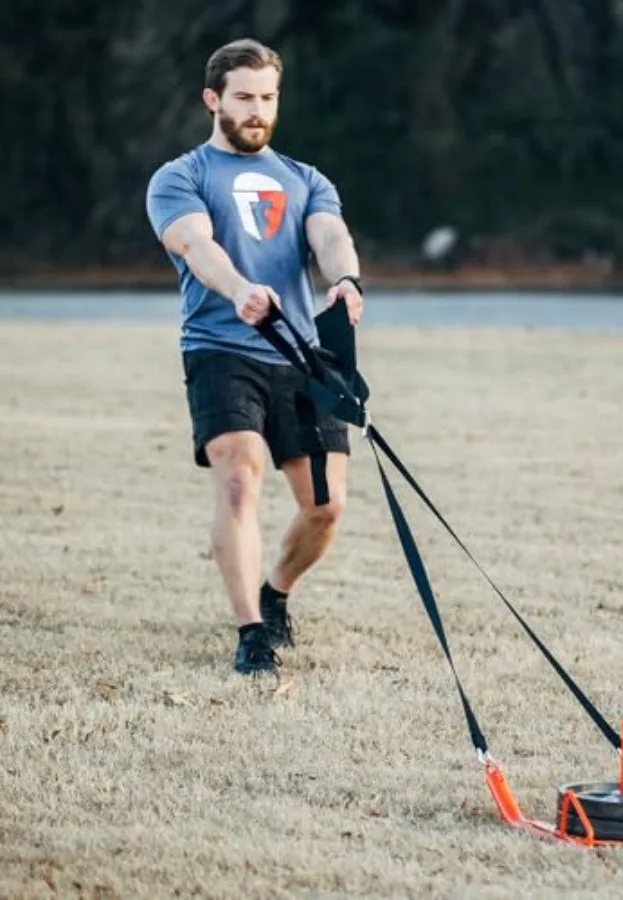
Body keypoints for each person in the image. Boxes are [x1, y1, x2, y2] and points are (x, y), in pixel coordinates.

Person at [144, 38, 365, 677]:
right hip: (220, 348)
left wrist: (346, 280)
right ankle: (251, 635)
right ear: (214, 99)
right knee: (240, 479)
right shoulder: (181, 176)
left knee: (326, 506)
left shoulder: (305, 179)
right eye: (244, 97)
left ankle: (275, 595)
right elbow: (195, 245)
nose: (257, 110)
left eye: (267, 98)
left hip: (301, 355)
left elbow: (329, 235)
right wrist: (241, 290)